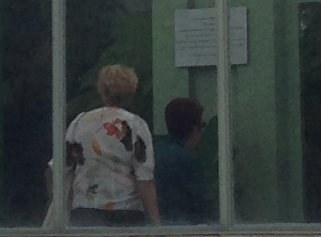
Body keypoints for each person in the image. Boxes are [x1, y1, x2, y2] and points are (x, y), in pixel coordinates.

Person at [60, 65, 159, 227]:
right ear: (131, 92)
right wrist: (156, 222)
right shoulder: (136, 125)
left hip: (86, 210)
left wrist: (60, 208)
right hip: (126, 211)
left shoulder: (80, 122)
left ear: (101, 90)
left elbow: (61, 168)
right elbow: (145, 178)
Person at [155, 96, 218, 226]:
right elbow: (202, 200)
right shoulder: (186, 158)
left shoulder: (157, 151)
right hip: (184, 226)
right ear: (195, 129)